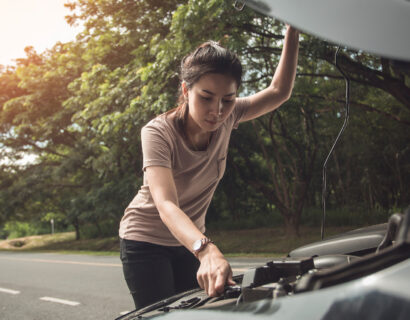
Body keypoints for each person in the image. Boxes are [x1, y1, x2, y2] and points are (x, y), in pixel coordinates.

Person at [119, 24, 299, 310]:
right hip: (146, 242)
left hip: (190, 243)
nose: (217, 110)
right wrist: (206, 249)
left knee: (201, 314)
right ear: (185, 89)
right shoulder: (157, 132)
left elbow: (279, 91)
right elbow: (166, 204)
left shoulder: (230, 116)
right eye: (206, 97)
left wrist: (293, 27)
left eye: (228, 99)